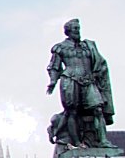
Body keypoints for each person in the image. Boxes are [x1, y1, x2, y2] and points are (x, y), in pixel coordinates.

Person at [46, 18, 115, 150]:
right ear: (68, 31)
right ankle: (77, 143)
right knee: (73, 112)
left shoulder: (88, 46)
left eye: (78, 28)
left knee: (98, 109)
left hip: (89, 80)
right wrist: (53, 82)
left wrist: (98, 74)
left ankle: (103, 140)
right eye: (75, 29)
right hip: (70, 80)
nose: (78, 31)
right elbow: (54, 66)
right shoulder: (60, 48)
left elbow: (99, 63)